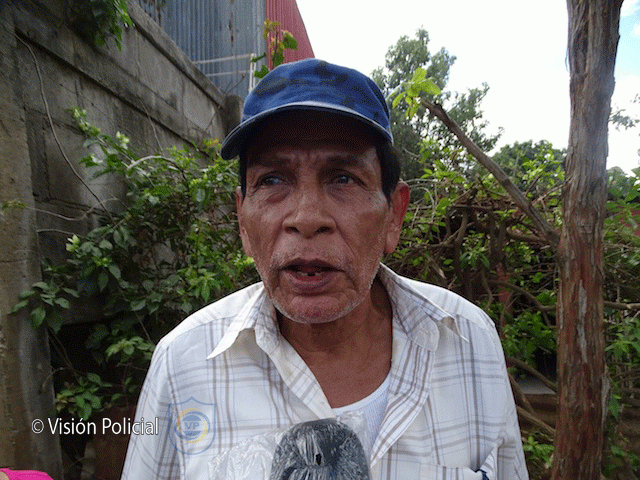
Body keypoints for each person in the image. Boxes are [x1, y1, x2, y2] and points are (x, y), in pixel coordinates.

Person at [121, 58, 528, 479]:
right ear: (243, 220)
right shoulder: (182, 363)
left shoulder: (468, 342)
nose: (307, 217)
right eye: (273, 180)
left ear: (394, 215)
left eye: (343, 178)